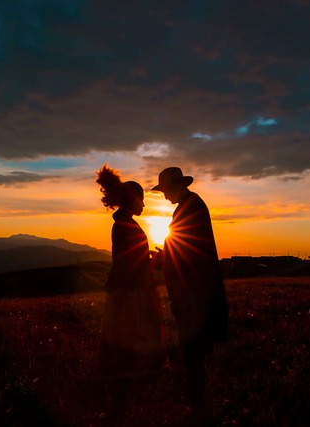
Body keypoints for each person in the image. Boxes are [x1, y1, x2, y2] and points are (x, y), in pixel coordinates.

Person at [152, 166, 229, 417]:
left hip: (194, 291)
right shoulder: (191, 205)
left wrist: (161, 258)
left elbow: (184, 248)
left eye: (164, 190)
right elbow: (181, 245)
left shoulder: (189, 208)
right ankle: (197, 397)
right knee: (194, 344)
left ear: (175, 186)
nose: (164, 196)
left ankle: (197, 400)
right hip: (195, 288)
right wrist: (164, 255)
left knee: (192, 344)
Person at [95, 165, 168, 424]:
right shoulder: (126, 225)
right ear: (132, 200)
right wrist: (156, 259)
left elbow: (130, 258)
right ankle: (121, 402)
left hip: (127, 291)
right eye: (142, 200)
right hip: (130, 293)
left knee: (125, 341)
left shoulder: (125, 223)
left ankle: (122, 401)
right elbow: (129, 262)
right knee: (128, 341)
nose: (145, 206)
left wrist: (149, 257)